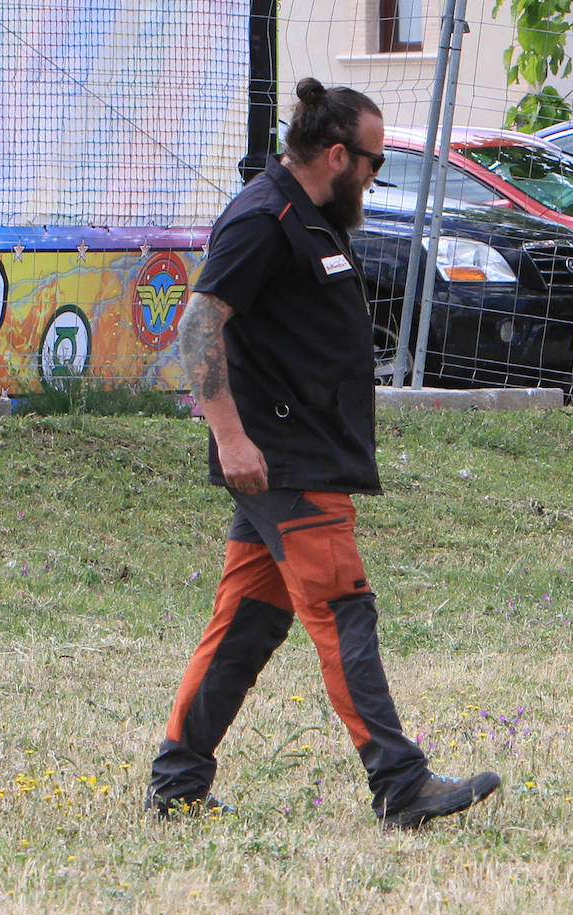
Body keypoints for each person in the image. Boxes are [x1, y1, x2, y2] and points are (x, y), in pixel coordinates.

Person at [146, 77, 499, 829]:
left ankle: (176, 784)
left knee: (247, 619)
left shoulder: (307, 215)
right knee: (343, 611)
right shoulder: (264, 218)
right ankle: (401, 784)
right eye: (372, 162)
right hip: (282, 458)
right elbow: (198, 326)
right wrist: (230, 436)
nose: (374, 177)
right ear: (337, 154)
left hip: (300, 454)